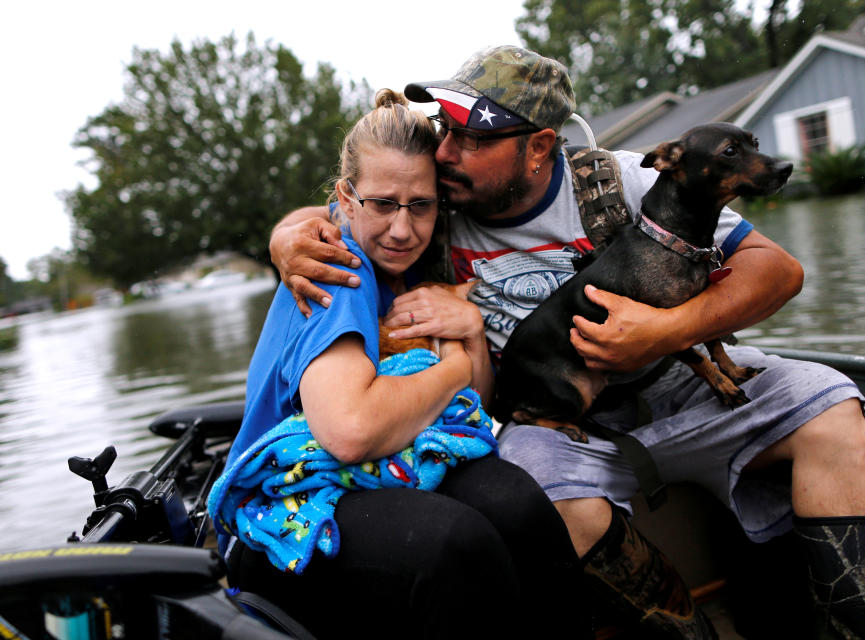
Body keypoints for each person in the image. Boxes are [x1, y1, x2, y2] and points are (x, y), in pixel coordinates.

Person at [269, 49, 865, 638]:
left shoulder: (627, 182)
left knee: (831, 408)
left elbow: (778, 270)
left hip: (687, 385)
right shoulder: (430, 205)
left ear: (539, 146)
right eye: (446, 127)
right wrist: (287, 240)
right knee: (529, 489)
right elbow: (343, 208)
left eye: (474, 137)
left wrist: (665, 332)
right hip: (556, 417)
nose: (446, 152)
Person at [220, 88, 589, 640]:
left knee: (519, 507)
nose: (401, 227)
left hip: (386, 465)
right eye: (383, 204)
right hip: (285, 511)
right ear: (346, 199)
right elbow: (348, 431)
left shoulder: (421, 264)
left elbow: (478, 406)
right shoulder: (336, 268)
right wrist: (456, 369)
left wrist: (469, 332)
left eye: (420, 205)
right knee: (454, 543)